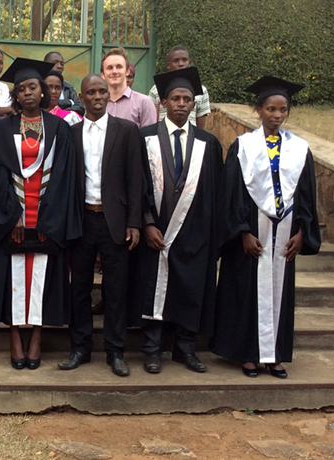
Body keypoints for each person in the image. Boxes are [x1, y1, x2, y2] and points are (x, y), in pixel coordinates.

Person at [210, 76, 320, 378]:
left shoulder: (300, 150)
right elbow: (231, 196)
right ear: (258, 110)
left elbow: (307, 196)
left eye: (282, 110)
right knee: (245, 292)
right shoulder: (243, 147)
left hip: (284, 235)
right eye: (271, 108)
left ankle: (274, 355)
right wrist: (242, 231)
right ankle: (248, 354)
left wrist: (301, 232)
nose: (277, 115)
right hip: (251, 235)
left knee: (279, 294)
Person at [0, 58, 82, 370]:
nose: (27, 92)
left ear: (43, 92)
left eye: (32, 87)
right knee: (12, 276)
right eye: (21, 88)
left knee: (43, 278)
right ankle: (14, 334)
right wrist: (11, 217)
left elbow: (66, 178)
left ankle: (36, 335)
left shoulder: (60, 130)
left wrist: (47, 222)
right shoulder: (1, 130)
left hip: (46, 220)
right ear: (16, 94)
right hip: (12, 218)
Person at [129, 67, 223, 374]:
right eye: (175, 98)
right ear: (164, 102)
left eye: (187, 99)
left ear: (194, 104)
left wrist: (206, 234)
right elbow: (137, 185)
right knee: (151, 290)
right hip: (154, 232)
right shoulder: (144, 139)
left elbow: (214, 195)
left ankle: (185, 350)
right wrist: (146, 223)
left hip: (193, 234)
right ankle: (152, 351)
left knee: (190, 291)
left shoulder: (208, 145)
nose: (181, 104)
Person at [58, 74, 142, 377]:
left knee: (115, 289)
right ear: (81, 97)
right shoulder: (71, 132)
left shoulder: (127, 131)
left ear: (109, 95)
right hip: (82, 220)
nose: (97, 96)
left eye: (102, 91)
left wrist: (134, 222)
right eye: (91, 92)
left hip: (115, 222)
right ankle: (80, 347)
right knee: (78, 287)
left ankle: (115, 351)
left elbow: (136, 180)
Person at [148, 46, 211, 129]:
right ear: (168, 65)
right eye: (176, 61)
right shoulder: (155, 90)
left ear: (190, 62)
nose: (181, 64)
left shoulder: (201, 90)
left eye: (184, 60)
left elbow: (201, 124)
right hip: (162, 135)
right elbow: (150, 117)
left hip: (190, 137)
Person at [101, 47, 156, 128]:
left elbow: (149, 138)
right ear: (102, 74)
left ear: (127, 71)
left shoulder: (144, 102)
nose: (114, 71)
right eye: (109, 68)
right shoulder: (98, 104)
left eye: (119, 67)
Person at [43, 51, 84, 116]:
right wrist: (69, 102)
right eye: (55, 63)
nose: (59, 66)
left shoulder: (68, 87)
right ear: (45, 64)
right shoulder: (40, 85)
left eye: (62, 64)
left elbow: (80, 107)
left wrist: (62, 113)